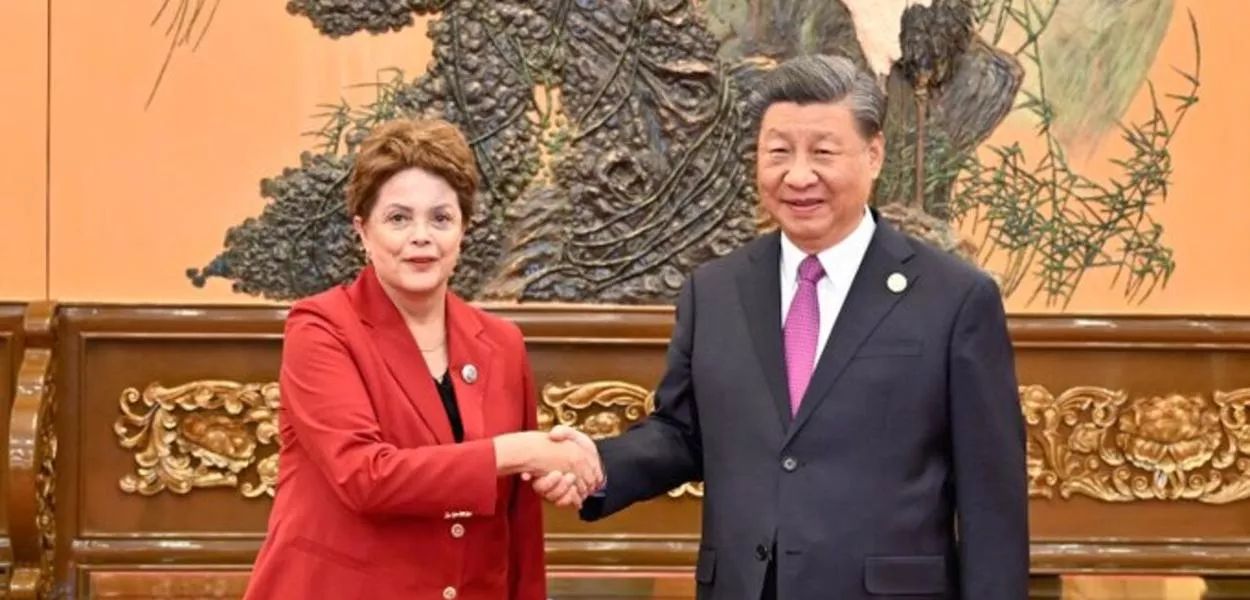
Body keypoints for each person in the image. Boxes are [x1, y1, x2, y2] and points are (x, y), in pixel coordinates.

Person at [533, 54, 1029, 599]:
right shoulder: (716, 290)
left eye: (822, 152)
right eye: (778, 152)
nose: (797, 175)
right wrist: (598, 464)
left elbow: (992, 503)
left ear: (874, 154)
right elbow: (683, 432)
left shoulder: (955, 298)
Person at [244, 117, 602, 600]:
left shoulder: (502, 343)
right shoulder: (321, 327)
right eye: (398, 218)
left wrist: (554, 469)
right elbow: (367, 477)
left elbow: (518, 523)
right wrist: (521, 450)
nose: (421, 236)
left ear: (462, 233)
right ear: (363, 231)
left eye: (440, 218)